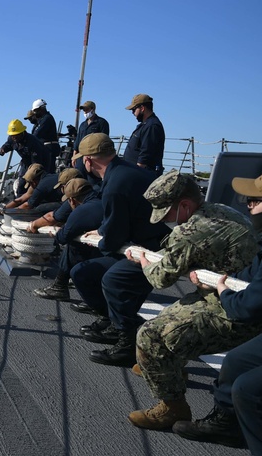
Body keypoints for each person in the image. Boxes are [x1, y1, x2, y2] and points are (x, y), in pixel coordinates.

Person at [172, 164, 262, 456]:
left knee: (253, 389)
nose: (248, 207)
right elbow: (255, 276)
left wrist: (222, 290)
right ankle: (227, 422)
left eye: (254, 201)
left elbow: (248, 309)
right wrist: (224, 279)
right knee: (238, 361)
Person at [125, 171, 262, 430]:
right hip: (243, 296)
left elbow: (160, 278)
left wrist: (143, 260)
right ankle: (168, 371)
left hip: (236, 309)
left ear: (185, 206)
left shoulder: (191, 230)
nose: (164, 219)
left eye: (166, 213)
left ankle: (173, 409)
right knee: (167, 319)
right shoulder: (219, 211)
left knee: (149, 335)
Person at [67, 133, 168, 367]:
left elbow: (114, 238)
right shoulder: (126, 171)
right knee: (83, 273)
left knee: (113, 279)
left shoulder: (115, 184)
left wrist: (101, 239)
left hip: (153, 249)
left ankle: (127, 344)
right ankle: (113, 322)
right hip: (145, 241)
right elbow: (119, 220)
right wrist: (102, 231)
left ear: (88, 161)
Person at [33, 177, 103, 301]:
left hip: (103, 256)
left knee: (73, 245)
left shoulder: (81, 211)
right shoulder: (102, 201)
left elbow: (62, 238)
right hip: (115, 251)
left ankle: (59, 287)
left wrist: (58, 232)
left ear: (72, 200)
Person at [0, 119, 51, 193]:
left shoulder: (32, 142)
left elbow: (36, 163)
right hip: (26, 162)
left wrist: (32, 176)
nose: (14, 137)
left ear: (22, 132)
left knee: (37, 185)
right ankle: (19, 200)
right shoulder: (12, 138)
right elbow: (8, 145)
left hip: (40, 163)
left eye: (16, 135)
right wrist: (3, 149)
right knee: (21, 185)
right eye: (12, 135)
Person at [26, 168, 82, 233]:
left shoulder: (74, 200)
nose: (62, 190)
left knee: (40, 209)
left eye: (62, 187)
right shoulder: (94, 190)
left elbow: (51, 217)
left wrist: (34, 225)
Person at [123, 93, 165, 174]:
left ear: (142, 108)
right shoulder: (145, 125)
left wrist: (136, 173)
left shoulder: (152, 126)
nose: (133, 113)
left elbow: (146, 153)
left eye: (134, 110)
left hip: (142, 174)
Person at [29, 98, 60, 170]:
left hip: (49, 148)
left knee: (48, 169)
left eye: (35, 111)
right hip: (45, 148)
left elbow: (37, 133)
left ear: (41, 109)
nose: (35, 113)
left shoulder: (47, 118)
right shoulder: (42, 119)